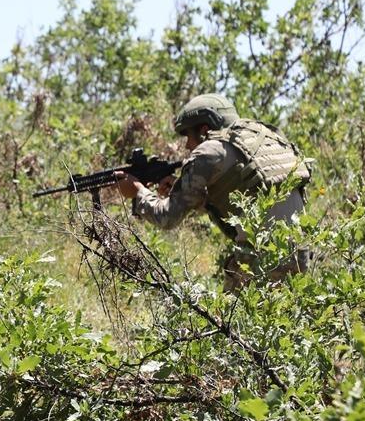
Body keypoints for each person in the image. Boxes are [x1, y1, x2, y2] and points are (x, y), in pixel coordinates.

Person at [112, 93, 312, 291]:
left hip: (260, 259)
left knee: (232, 323)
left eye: (187, 136)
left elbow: (167, 218)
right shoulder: (263, 137)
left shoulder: (209, 151)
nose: (187, 145)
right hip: (300, 255)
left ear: (204, 129)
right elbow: (245, 193)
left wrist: (138, 191)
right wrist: (189, 192)